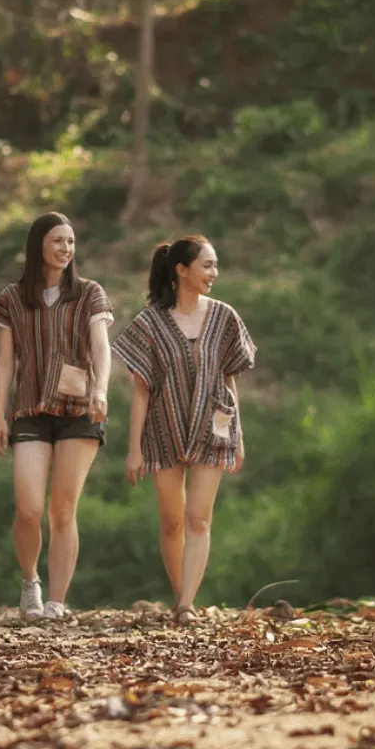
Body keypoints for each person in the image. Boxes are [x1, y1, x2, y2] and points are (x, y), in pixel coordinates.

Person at [115, 235, 257, 626]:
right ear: (181, 270)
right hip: (162, 431)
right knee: (172, 520)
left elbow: (230, 380)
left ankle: (186, 605)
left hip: (215, 431)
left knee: (199, 518)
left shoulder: (225, 317)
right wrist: (134, 449)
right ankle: (181, 593)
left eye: (215, 265)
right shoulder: (150, 323)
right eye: (207, 265)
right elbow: (141, 391)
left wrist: (238, 437)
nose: (214, 273)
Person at [0, 212, 114, 620]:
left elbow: (101, 348)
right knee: (28, 508)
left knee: (63, 509)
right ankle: (30, 583)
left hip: (79, 411)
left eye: (71, 242)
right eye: (58, 241)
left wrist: (100, 389)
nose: (66, 249)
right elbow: (6, 363)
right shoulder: (12, 298)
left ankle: (58, 600)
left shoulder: (89, 293)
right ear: (39, 244)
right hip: (29, 409)